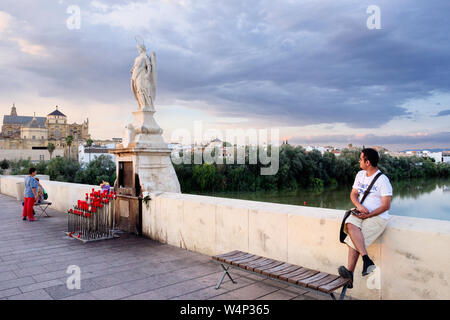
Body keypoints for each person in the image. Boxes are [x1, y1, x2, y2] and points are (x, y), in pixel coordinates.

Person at [338, 148, 393, 287]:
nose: (359, 161)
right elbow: (353, 194)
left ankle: (349, 274)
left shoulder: (383, 180)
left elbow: (386, 206)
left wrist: (368, 214)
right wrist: (359, 206)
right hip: (360, 213)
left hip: (377, 217)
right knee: (350, 225)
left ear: (367, 162)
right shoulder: (360, 174)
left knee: (355, 239)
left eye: (361, 159)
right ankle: (366, 259)